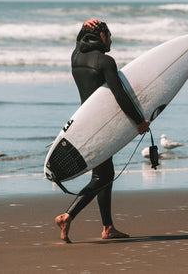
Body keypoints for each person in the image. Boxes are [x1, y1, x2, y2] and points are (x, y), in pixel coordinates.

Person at [55, 19, 151, 243]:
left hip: (83, 122)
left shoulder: (76, 57)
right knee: (104, 175)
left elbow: (78, 43)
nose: (111, 40)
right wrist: (139, 121)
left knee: (104, 174)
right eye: (109, 36)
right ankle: (67, 216)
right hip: (101, 124)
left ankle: (108, 228)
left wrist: (82, 27)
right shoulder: (106, 61)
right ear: (101, 37)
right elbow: (120, 95)